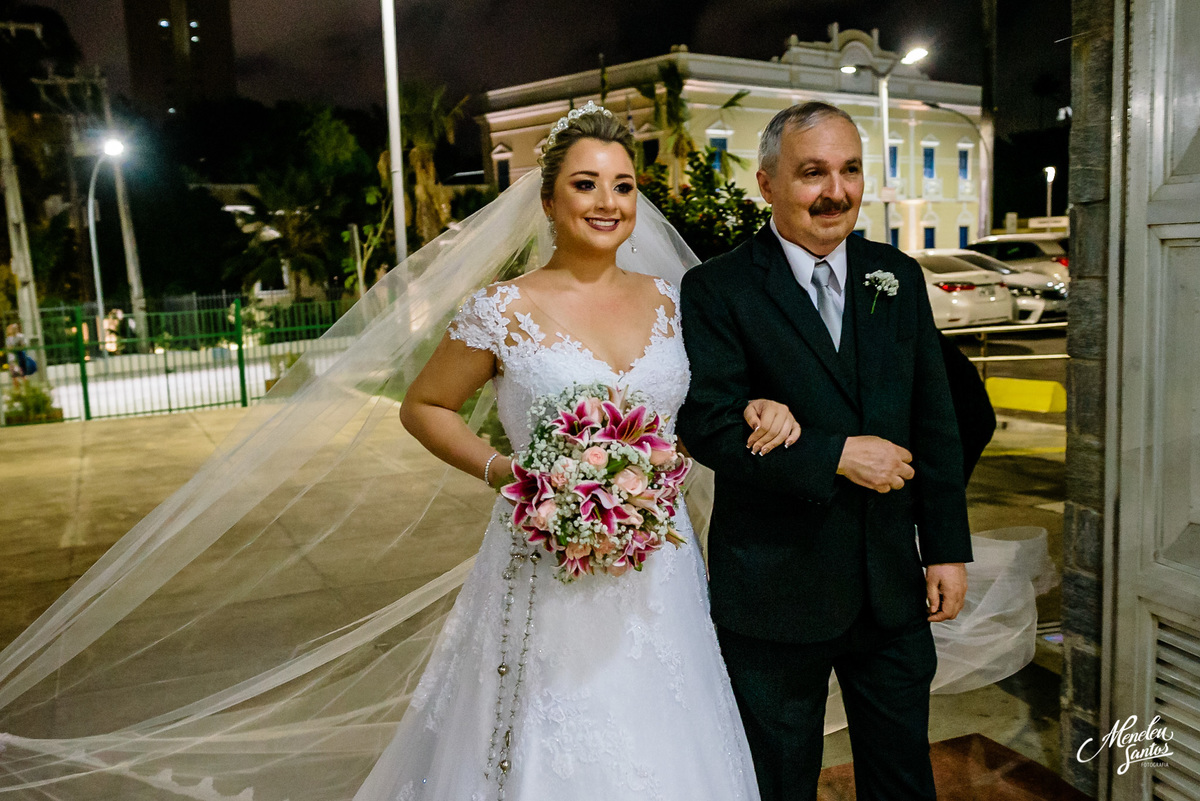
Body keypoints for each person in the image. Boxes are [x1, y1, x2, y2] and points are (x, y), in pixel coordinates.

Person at [353, 103, 791, 800]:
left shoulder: (681, 302)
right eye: (586, 184)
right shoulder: (500, 310)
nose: (608, 202)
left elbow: (714, 401)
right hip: (543, 558)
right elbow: (424, 406)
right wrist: (506, 471)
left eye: (623, 185)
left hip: (660, 561)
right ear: (549, 199)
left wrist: (759, 405)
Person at [677, 101, 973, 801]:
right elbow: (710, 424)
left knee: (903, 777)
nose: (835, 191)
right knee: (779, 782)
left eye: (850, 171)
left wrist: (948, 548)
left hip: (889, 586)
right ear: (767, 183)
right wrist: (836, 454)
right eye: (813, 172)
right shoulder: (718, 288)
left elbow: (935, 424)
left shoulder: (895, 276)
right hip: (776, 591)